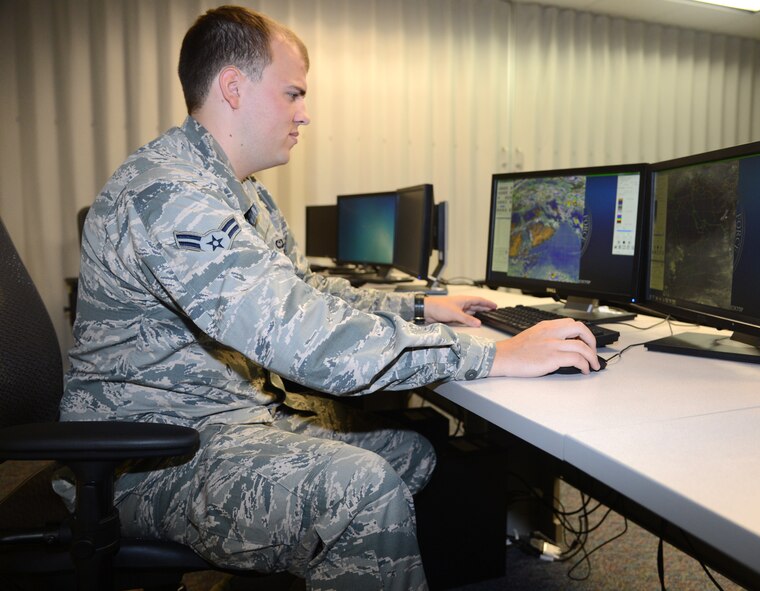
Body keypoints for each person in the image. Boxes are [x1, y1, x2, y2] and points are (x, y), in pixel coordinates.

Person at [58, 5, 600, 590]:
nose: (304, 113)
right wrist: (493, 356)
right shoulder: (170, 195)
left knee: (413, 453)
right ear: (233, 88)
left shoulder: (242, 192)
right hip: (149, 459)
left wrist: (420, 307)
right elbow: (307, 339)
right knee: (362, 488)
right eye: (292, 94)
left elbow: (307, 292)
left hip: (230, 421)